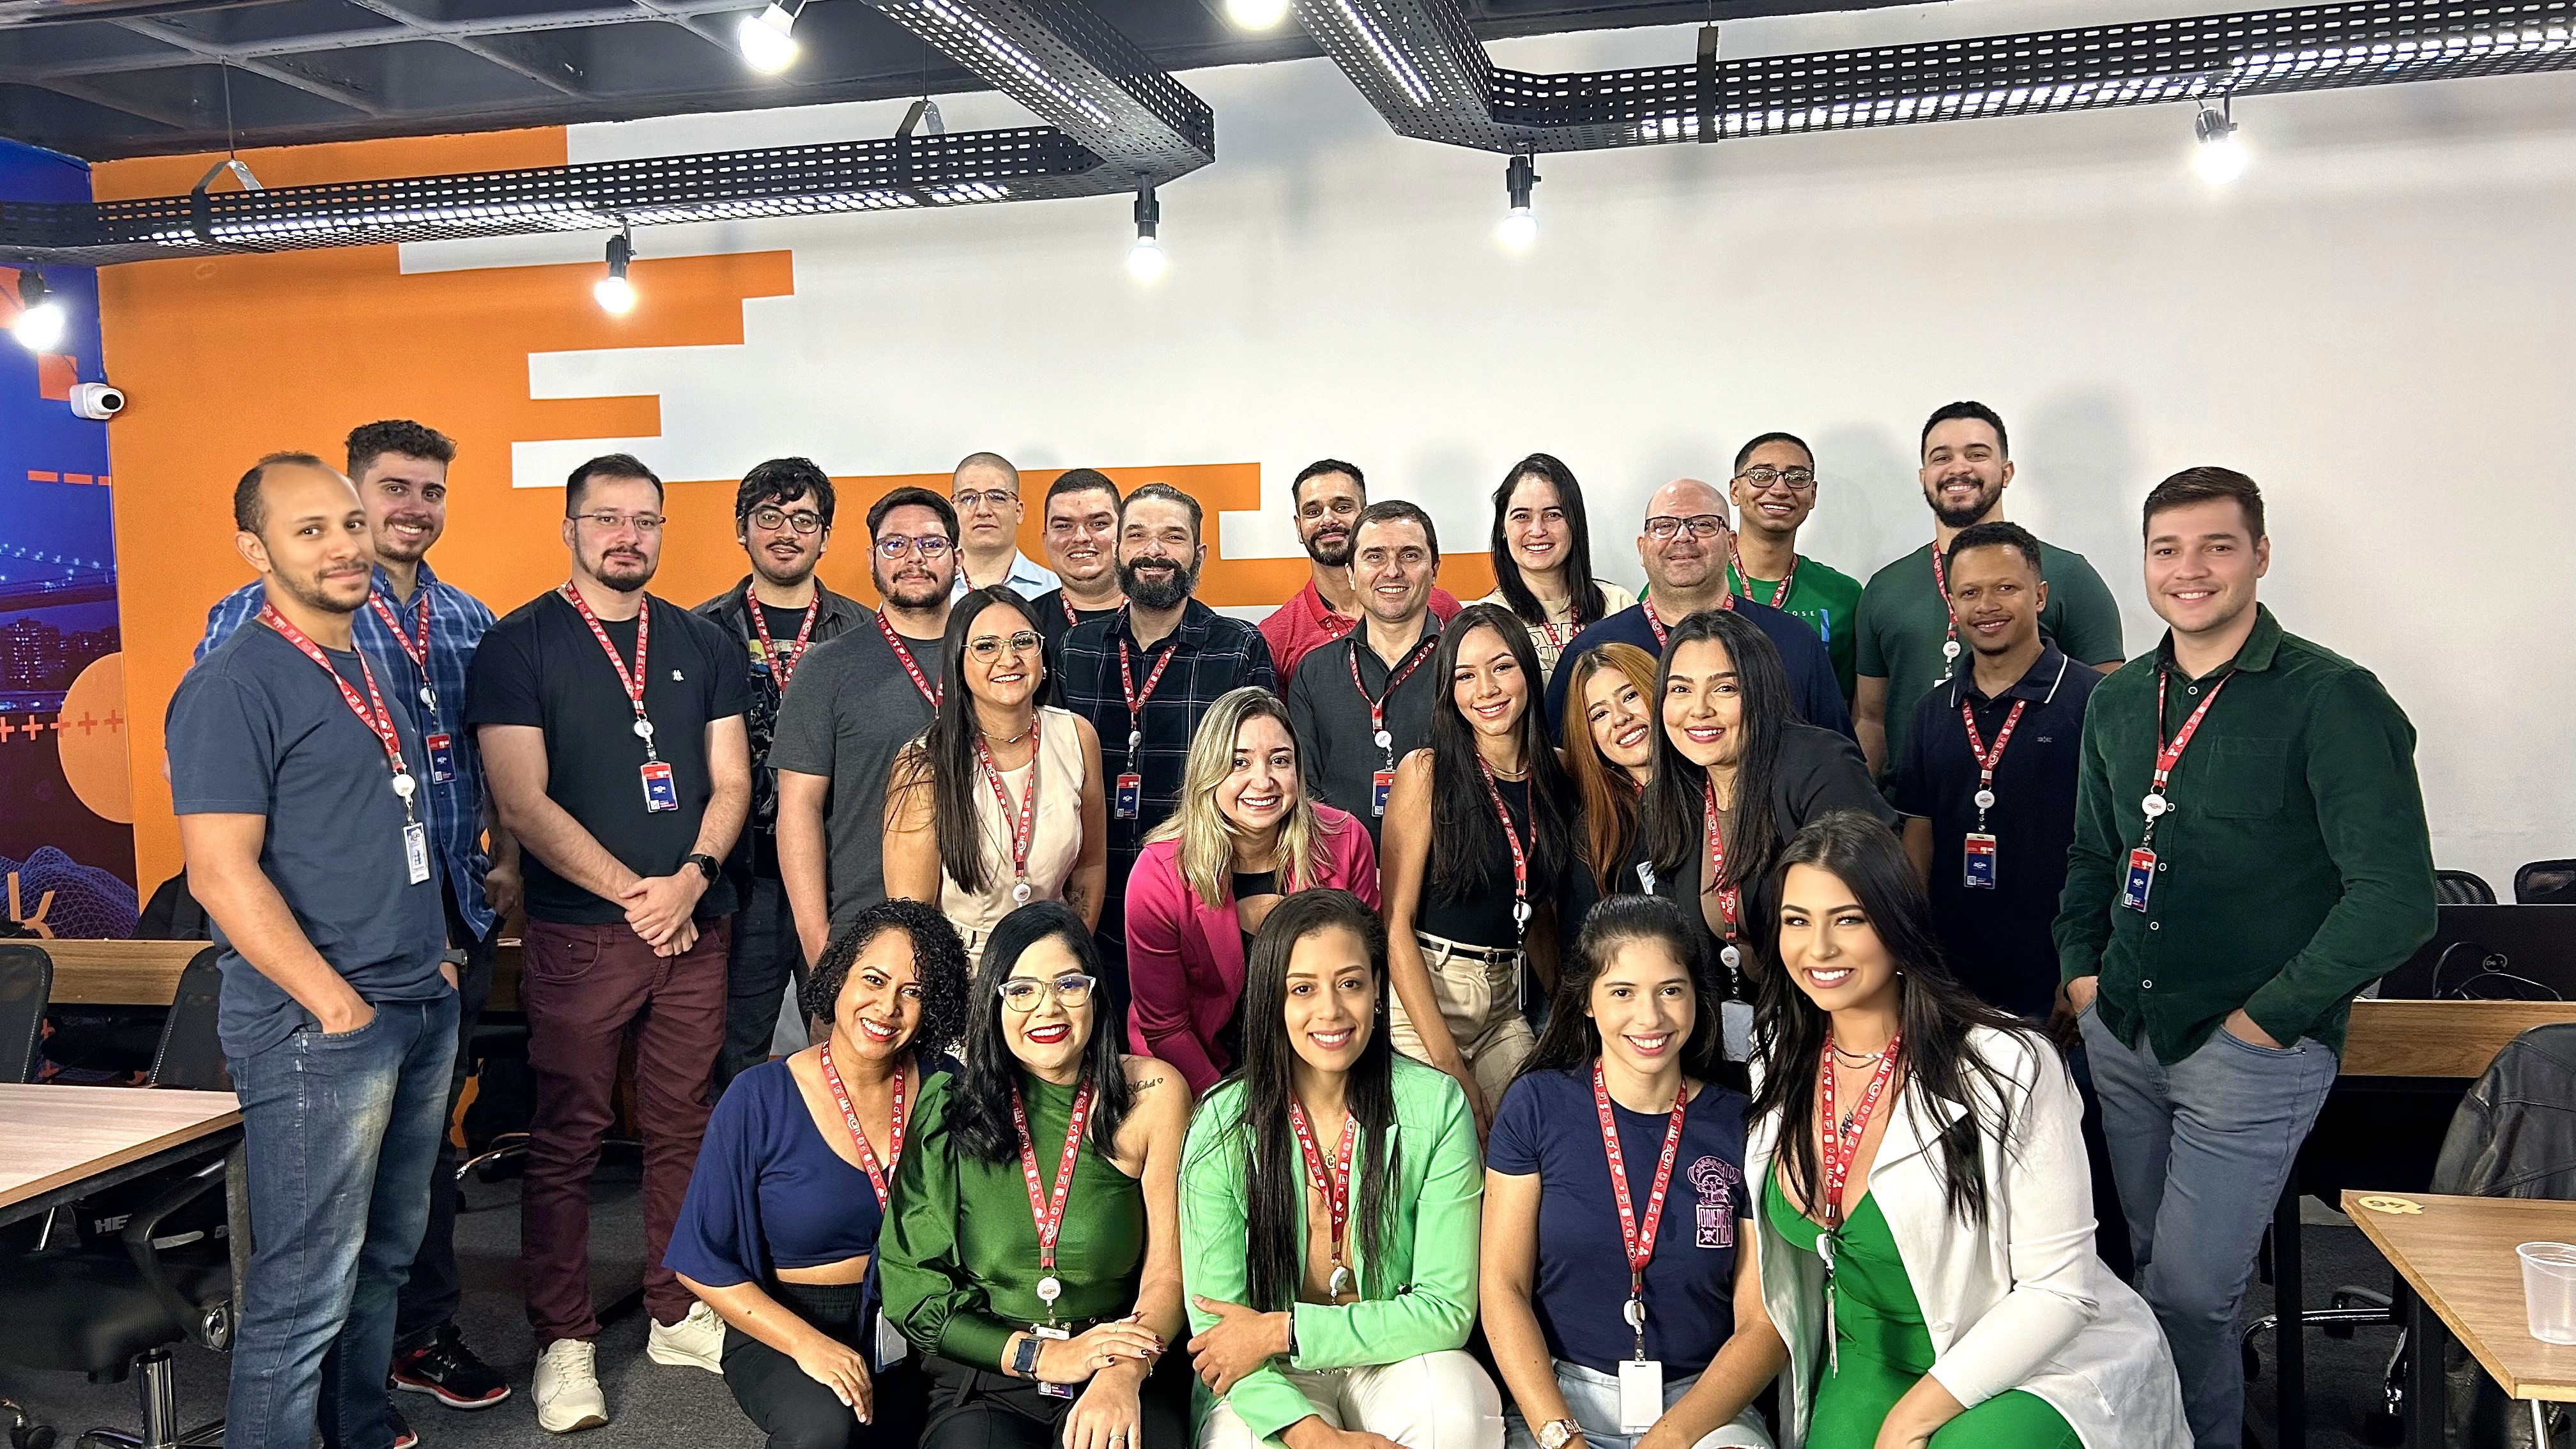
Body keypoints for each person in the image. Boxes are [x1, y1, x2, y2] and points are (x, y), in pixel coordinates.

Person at [2057, 467, 2435, 1449]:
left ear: (2260, 556)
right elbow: (2096, 854)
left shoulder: (2333, 698)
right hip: (2127, 1031)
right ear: (2144, 563)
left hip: (2250, 1051)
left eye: (2217, 547)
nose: (2191, 571)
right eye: (2167, 549)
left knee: (2189, 1299)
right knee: (2149, 1278)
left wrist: (2270, 1019)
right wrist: (2083, 976)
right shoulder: (2119, 700)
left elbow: (2396, 900)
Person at [192, 419, 514, 1414]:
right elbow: (218, 870)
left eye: (348, 525)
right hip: (323, 1022)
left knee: (383, 1257)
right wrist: (334, 1004)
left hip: (424, 989)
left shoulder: (372, 663)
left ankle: (363, 1431)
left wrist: (442, 963)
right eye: (309, 530)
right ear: (257, 550)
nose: (346, 545)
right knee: (303, 1289)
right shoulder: (234, 677)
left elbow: (414, 816)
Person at [1749, 812, 2189, 1448]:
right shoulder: (1779, 1056)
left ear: (1897, 925)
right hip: (1871, 1356)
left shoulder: (2008, 1063)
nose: (1818, 949)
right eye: (1798, 921)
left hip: (2031, 1359)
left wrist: (1912, 1418)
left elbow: (2057, 1292)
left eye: (1849, 919)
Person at [466, 452, 752, 1429]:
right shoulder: (518, 645)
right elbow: (521, 799)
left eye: (645, 520)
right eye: (606, 520)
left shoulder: (703, 641)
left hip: (693, 926)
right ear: (571, 529)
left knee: (686, 1126)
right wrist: (639, 895)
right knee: (568, 1139)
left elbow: (731, 781)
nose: (627, 536)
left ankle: (677, 1308)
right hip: (583, 935)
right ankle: (566, 1339)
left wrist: (692, 882)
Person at [1180, 889, 1502, 1449]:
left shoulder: (1437, 1105)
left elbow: (1448, 1310)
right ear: (1270, 1001)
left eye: (1350, 983)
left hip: (1388, 1355)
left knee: (1454, 1409)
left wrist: (1286, 1328)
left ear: (1379, 991)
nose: (1330, 1010)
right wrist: (1314, 1437)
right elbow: (1219, 1333)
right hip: (1267, 1371)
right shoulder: (1220, 1122)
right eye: (1302, 989)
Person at [878, 903, 1195, 1449]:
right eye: (1021, 990)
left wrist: (1120, 1373)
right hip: (993, 1374)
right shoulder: (948, 1107)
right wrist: (1047, 1355)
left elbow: (1169, 1273)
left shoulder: (1154, 1094)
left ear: (1095, 993)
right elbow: (915, 1291)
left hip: (1119, 1356)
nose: (1047, 1009)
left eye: (1069, 985)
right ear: (994, 1002)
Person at [669, 899, 972, 1449]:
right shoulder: (759, 1097)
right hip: (789, 1322)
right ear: (838, 978)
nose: (888, 1007)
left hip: (917, 1316)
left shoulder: (947, 1087)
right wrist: (807, 1343)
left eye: (914, 992)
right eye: (874, 980)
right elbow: (699, 1262)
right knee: (821, 1430)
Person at [1485, 894, 1781, 1449]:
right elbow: (1503, 1287)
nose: (1650, 1017)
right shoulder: (1536, 1105)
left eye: (1671, 990)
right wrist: (1561, 1435)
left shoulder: (1740, 1123)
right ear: (1589, 1002)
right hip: (1558, 1401)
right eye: (1622, 992)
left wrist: (1671, 1436)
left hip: (1703, 1412)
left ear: (1698, 995)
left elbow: (1763, 1326)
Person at [1052, 484, 1279, 1031]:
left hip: (1200, 902)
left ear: (1199, 555)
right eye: (1137, 535)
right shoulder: (1074, 650)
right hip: (1093, 906)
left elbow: (1269, 786)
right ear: (1117, 549)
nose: (1153, 550)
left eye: (1173, 537)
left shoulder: (1239, 647)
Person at [694, 457, 869, 1094]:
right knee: (731, 1046)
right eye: (769, 516)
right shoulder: (700, 631)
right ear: (742, 528)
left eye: (804, 519)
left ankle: (844, 1175)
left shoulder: (865, 632)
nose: (786, 532)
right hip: (742, 878)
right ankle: (741, 1179)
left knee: (848, 1034)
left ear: (825, 535)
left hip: (842, 870)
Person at [1637, 610, 1890, 1050]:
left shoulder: (1819, 765)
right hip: (1728, 1038)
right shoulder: (1671, 793)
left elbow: (1868, 919)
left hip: (1836, 1028)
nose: (1699, 710)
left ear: (1761, 690)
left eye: (1725, 688)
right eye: (1680, 689)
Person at [1124, 687, 1381, 1096]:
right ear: (1208, 772)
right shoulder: (1159, 872)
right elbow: (1166, 1027)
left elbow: (1365, 980)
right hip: (1199, 1069)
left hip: (1320, 1060)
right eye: (1239, 763)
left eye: (1280, 761)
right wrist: (1231, 1109)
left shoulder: (1346, 841)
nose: (1263, 781)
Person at [1892, 523, 2099, 1023]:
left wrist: (2083, 970)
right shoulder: (1930, 712)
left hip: (2055, 975)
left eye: (2006, 588)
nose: (1987, 605)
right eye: (1970, 592)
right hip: (1951, 973)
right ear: (1953, 604)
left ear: (2041, 595)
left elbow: (2108, 848)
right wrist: (1914, 959)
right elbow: (1918, 840)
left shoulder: (2094, 701)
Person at [1853, 401, 2124, 784]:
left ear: (2007, 471)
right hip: (1912, 816)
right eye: (1941, 457)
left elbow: (2109, 711)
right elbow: (1871, 719)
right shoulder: (1884, 587)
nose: (1958, 467)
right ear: (1924, 476)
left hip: (2038, 811)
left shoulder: (2068, 574)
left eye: (1977, 454)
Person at [1381, 602, 1577, 1126]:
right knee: (1450, 1138)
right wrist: (1450, 1067)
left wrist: (1571, 1009)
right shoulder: (1426, 772)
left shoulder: (1558, 770)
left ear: (1528, 673)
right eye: (1465, 676)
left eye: (1501, 666)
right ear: (1449, 691)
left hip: (1503, 1000)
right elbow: (1394, 925)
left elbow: (1531, 908)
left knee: (1530, 1135)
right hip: (1425, 994)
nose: (1486, 689)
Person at [772, 487, 958, 967]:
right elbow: (799, 810)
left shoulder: (993, 656)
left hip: (981, 930)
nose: (914, 558)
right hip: (866, 938)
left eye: (932, 544)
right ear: (872, 559)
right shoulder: (826, 669)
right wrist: (820, 950)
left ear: (957, 557)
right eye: (895, 544)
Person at [884, 585, 1108, 960]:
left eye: (1022, 642)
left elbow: (1091, 864)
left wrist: (1072, 953)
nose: (1009, 659)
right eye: (986, 646)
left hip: (1053, 964)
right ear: (958, 662)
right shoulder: (924, 762)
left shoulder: (1077, 737)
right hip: (962, 970)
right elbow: (913, 919)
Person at [1542, 481, 1849, 746]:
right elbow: (1559, 762)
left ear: (1731, 545)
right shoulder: (1593, 649)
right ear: (1642, 548)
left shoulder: (1792, 640)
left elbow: (1837, 758)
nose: (1683, 537)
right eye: (1664, 525)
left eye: (1703, 524)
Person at [1285, 500, 1447, 840]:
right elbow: (1303, 792)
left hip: (1451, 875)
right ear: (1351, 573)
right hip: (1342, 877)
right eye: (1375, 556)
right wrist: (1350, 864)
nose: (1392, 571)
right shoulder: (1314, 673)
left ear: (1435, 568)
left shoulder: (1465, 665)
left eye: (1410, 555)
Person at [1259, 459, 1464, 682]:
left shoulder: (1441, 607)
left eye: (1343, 507)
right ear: (1299, 527)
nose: (1328, 519)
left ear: (1366, 516)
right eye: (1313, 511)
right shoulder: (1276, 636)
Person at [1722, 433, 1862, 707]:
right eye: (1762, 475)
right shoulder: (1690, 584)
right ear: (1735, 491)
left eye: (1797, 477)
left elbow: (1849, 707)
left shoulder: (1844, 595)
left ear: (1812, 494)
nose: (1779, 489)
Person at [1478, 453, 1636, 679]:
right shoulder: (1487, 619)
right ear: (1503, 529)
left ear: (1575, 523)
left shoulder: (1619, 605)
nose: (1537, 530)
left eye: (1553, 515)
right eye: (1522, 516)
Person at [1560, 643, 1661, 923]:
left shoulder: (1720, 789)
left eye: (1630, 696)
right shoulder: (1592, 834)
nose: (1620, 718)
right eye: (1600, 714)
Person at [1032, 468, 1125, 657]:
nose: (1080, 537)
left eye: (1098, 524)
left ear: (1124, 534)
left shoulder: (1167, 618)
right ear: (1046, 541)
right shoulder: (1023, 623)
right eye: (1064, 526)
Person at [950, 452, 1061, 599]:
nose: (983, 511)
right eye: (968, 498)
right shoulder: (933, 590)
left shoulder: (1054, 589)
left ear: (1018, 511)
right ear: (953, 510)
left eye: (997, 497)